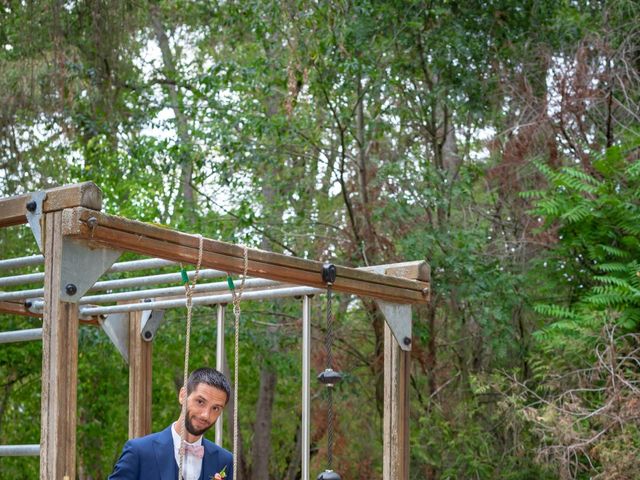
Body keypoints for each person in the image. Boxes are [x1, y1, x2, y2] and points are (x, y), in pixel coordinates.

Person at [109, 367, 234, 480]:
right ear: (182, 395)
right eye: (200, 402)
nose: (205, 415)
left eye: (215, 408)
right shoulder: (138, 452)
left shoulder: (225, 461)